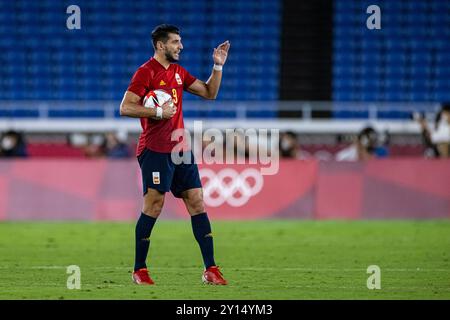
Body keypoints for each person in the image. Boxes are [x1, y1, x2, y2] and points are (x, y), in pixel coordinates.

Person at [119, 24, 230, 285]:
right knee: (154, 206)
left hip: (181, 149)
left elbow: (209, 93)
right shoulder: (145, 72)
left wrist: (217, 66)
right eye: (176, 42)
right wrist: (157, 113)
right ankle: (139, 270)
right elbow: (126, 107)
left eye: (180, 42)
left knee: (197, 201)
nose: (181, 46)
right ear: (161, 45)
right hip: (155, 149)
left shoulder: (179, 73)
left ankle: (210, 269)